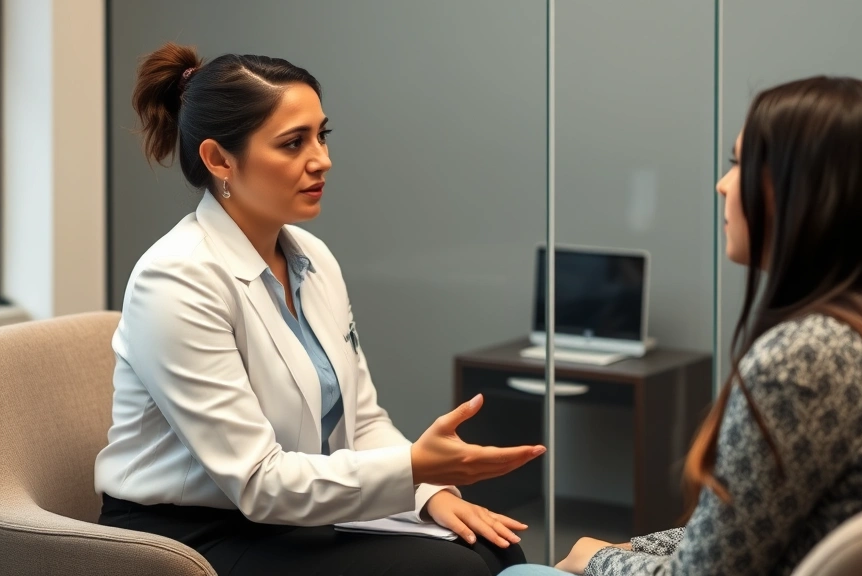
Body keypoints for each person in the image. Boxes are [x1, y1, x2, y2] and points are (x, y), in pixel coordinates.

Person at [500, 76, 862, 576]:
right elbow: (747, 531)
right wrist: (632, 549)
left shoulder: (808, 360)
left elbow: (708, 573)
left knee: (521, 571)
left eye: (739, 164)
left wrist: (594, 557)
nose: (722, 185)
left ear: (808, 191)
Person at [95, 42, 546, 576]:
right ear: (219, 160)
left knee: (495, 549)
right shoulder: (177, 278)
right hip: (190, 534)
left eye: (321, 135)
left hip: (288, 513)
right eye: (293, 143)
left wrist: (430, 491)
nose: (322, 160)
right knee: (458, 571)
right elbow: (258, 482)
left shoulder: (312, 258)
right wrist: (412, 467)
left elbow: (362, 420)